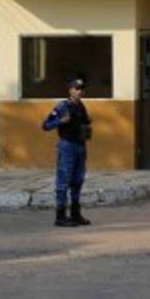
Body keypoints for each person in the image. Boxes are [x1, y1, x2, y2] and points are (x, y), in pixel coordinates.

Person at [41, 78, 92, 228]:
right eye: (76, 88)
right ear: (70, 90)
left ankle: (75, 214)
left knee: (78, 180)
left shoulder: (81, 106)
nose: (79, 91)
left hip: (80, 146)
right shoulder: (62, 106)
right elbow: (46, 125)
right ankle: (61, 216)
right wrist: (61, 121)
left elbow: (84, 122)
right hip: (67, 146)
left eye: (81, 89)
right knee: (63, 181)